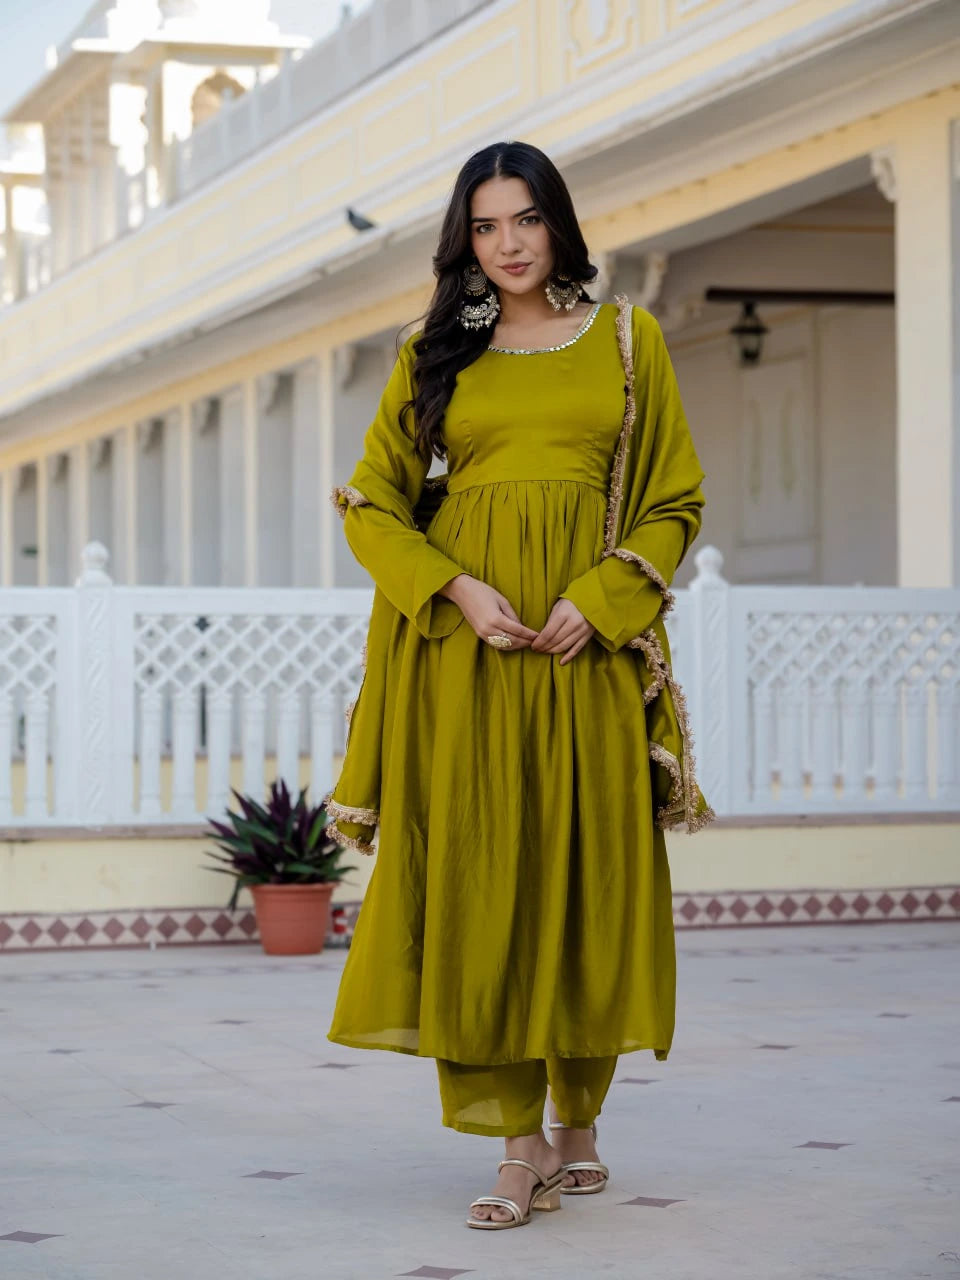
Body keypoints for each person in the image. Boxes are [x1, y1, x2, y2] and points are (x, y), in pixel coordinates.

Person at [322, 140, 713, 1231]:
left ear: (559, 223)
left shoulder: (629, 341)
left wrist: (607, 595)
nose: (507, 244)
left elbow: (674, 499)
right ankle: (517, 1143)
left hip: (582, 655)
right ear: (466, 237)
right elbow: (372, 502)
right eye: (486, 226)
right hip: (472, 658)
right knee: (482, 875)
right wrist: (452, 588)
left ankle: (579, 1122)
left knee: (583, 875)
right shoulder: (433, 349)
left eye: (526, 220)